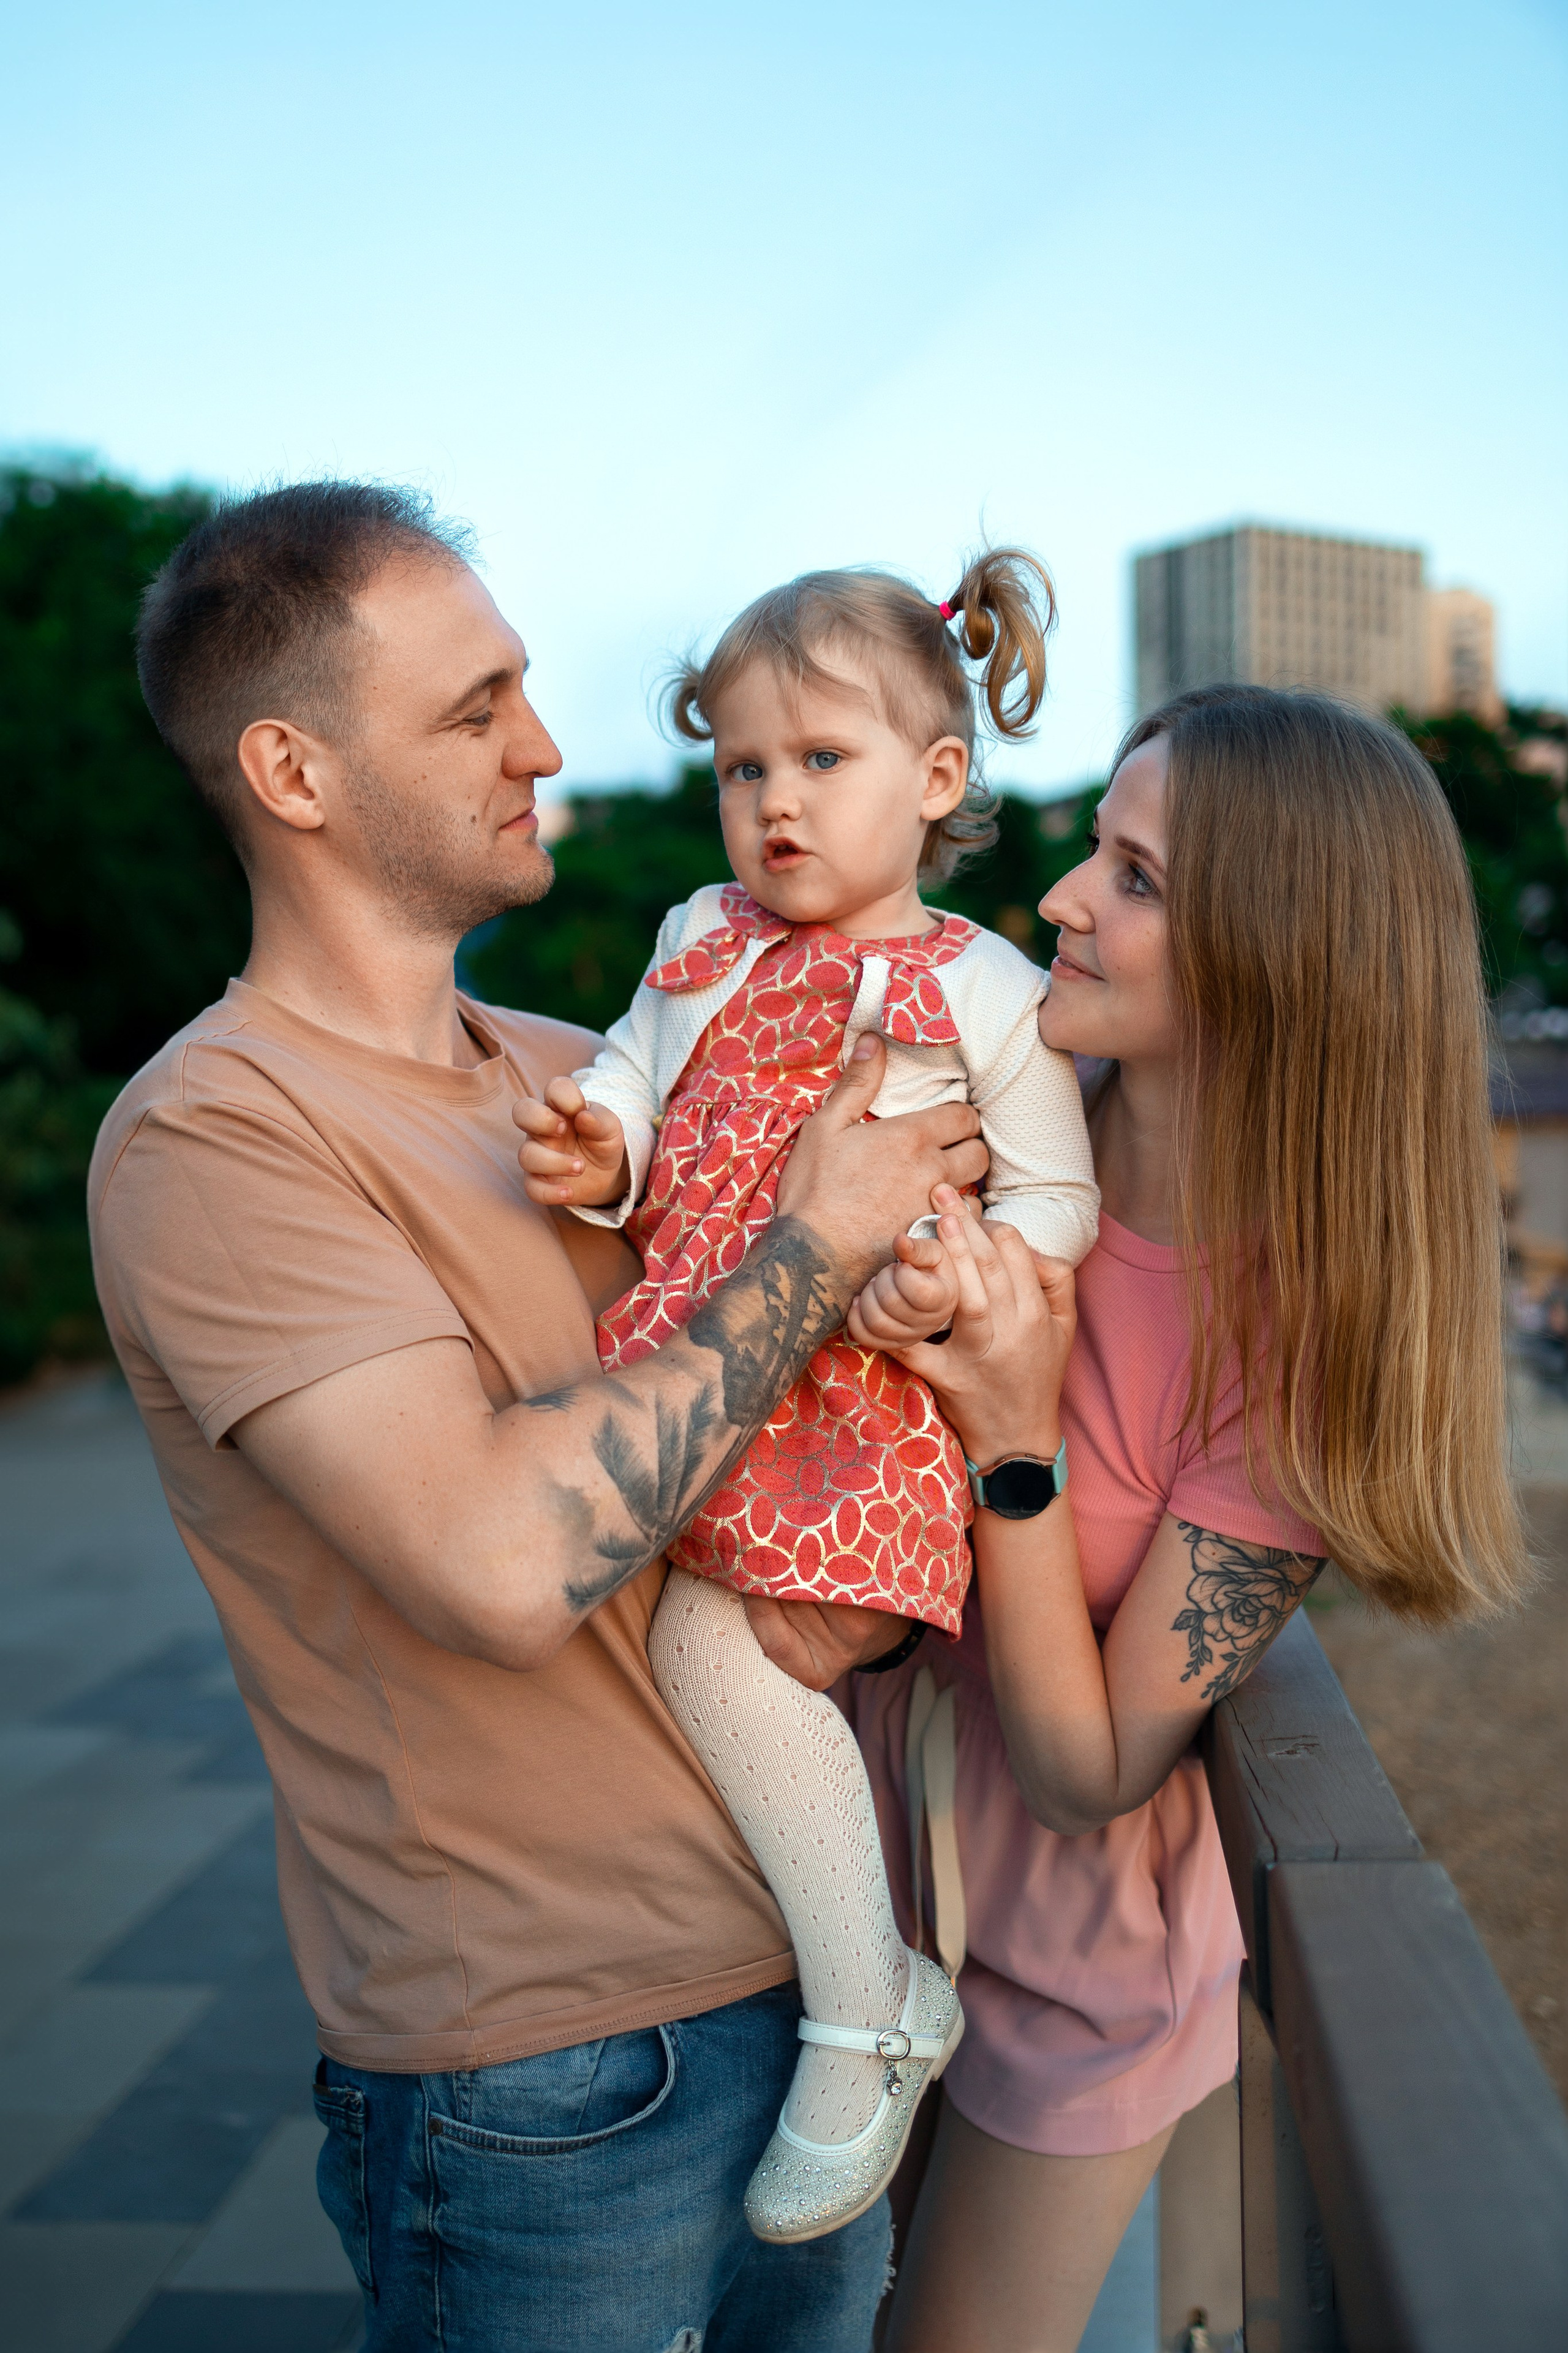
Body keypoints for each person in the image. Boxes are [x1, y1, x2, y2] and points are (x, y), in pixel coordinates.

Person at [87, 482, 993, 2353]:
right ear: (294, 770)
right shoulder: (221, 1136)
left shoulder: (594, 1080)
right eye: (474, 705)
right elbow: (504, 1565)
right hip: (547, 2083)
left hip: (818, 1995)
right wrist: (818, 1240)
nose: (548, 744)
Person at [839, 686, 1529, 2349]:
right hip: (859, 1921)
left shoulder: (1288, 1353)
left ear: (1271, 954)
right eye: (1095, 846)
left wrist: (1017, 1434)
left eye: (1133, 876)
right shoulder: (1003, 1133)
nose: (1062, 895)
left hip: (1068, 1986)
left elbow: (1092, 1770)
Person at [515, 556, 1098, 2242]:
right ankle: (821, 1976)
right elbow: (633, 1059)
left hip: (862, 1398)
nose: (773, 803)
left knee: (719, 1646)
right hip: (708, 1363)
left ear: (934, 781)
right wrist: (601, 1135)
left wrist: (964, 1261)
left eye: (821, 762)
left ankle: (868, 2005)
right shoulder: (698, 936)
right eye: (742, 767)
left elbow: (1060, 1195)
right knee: (665, 1647)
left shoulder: (982, 987)